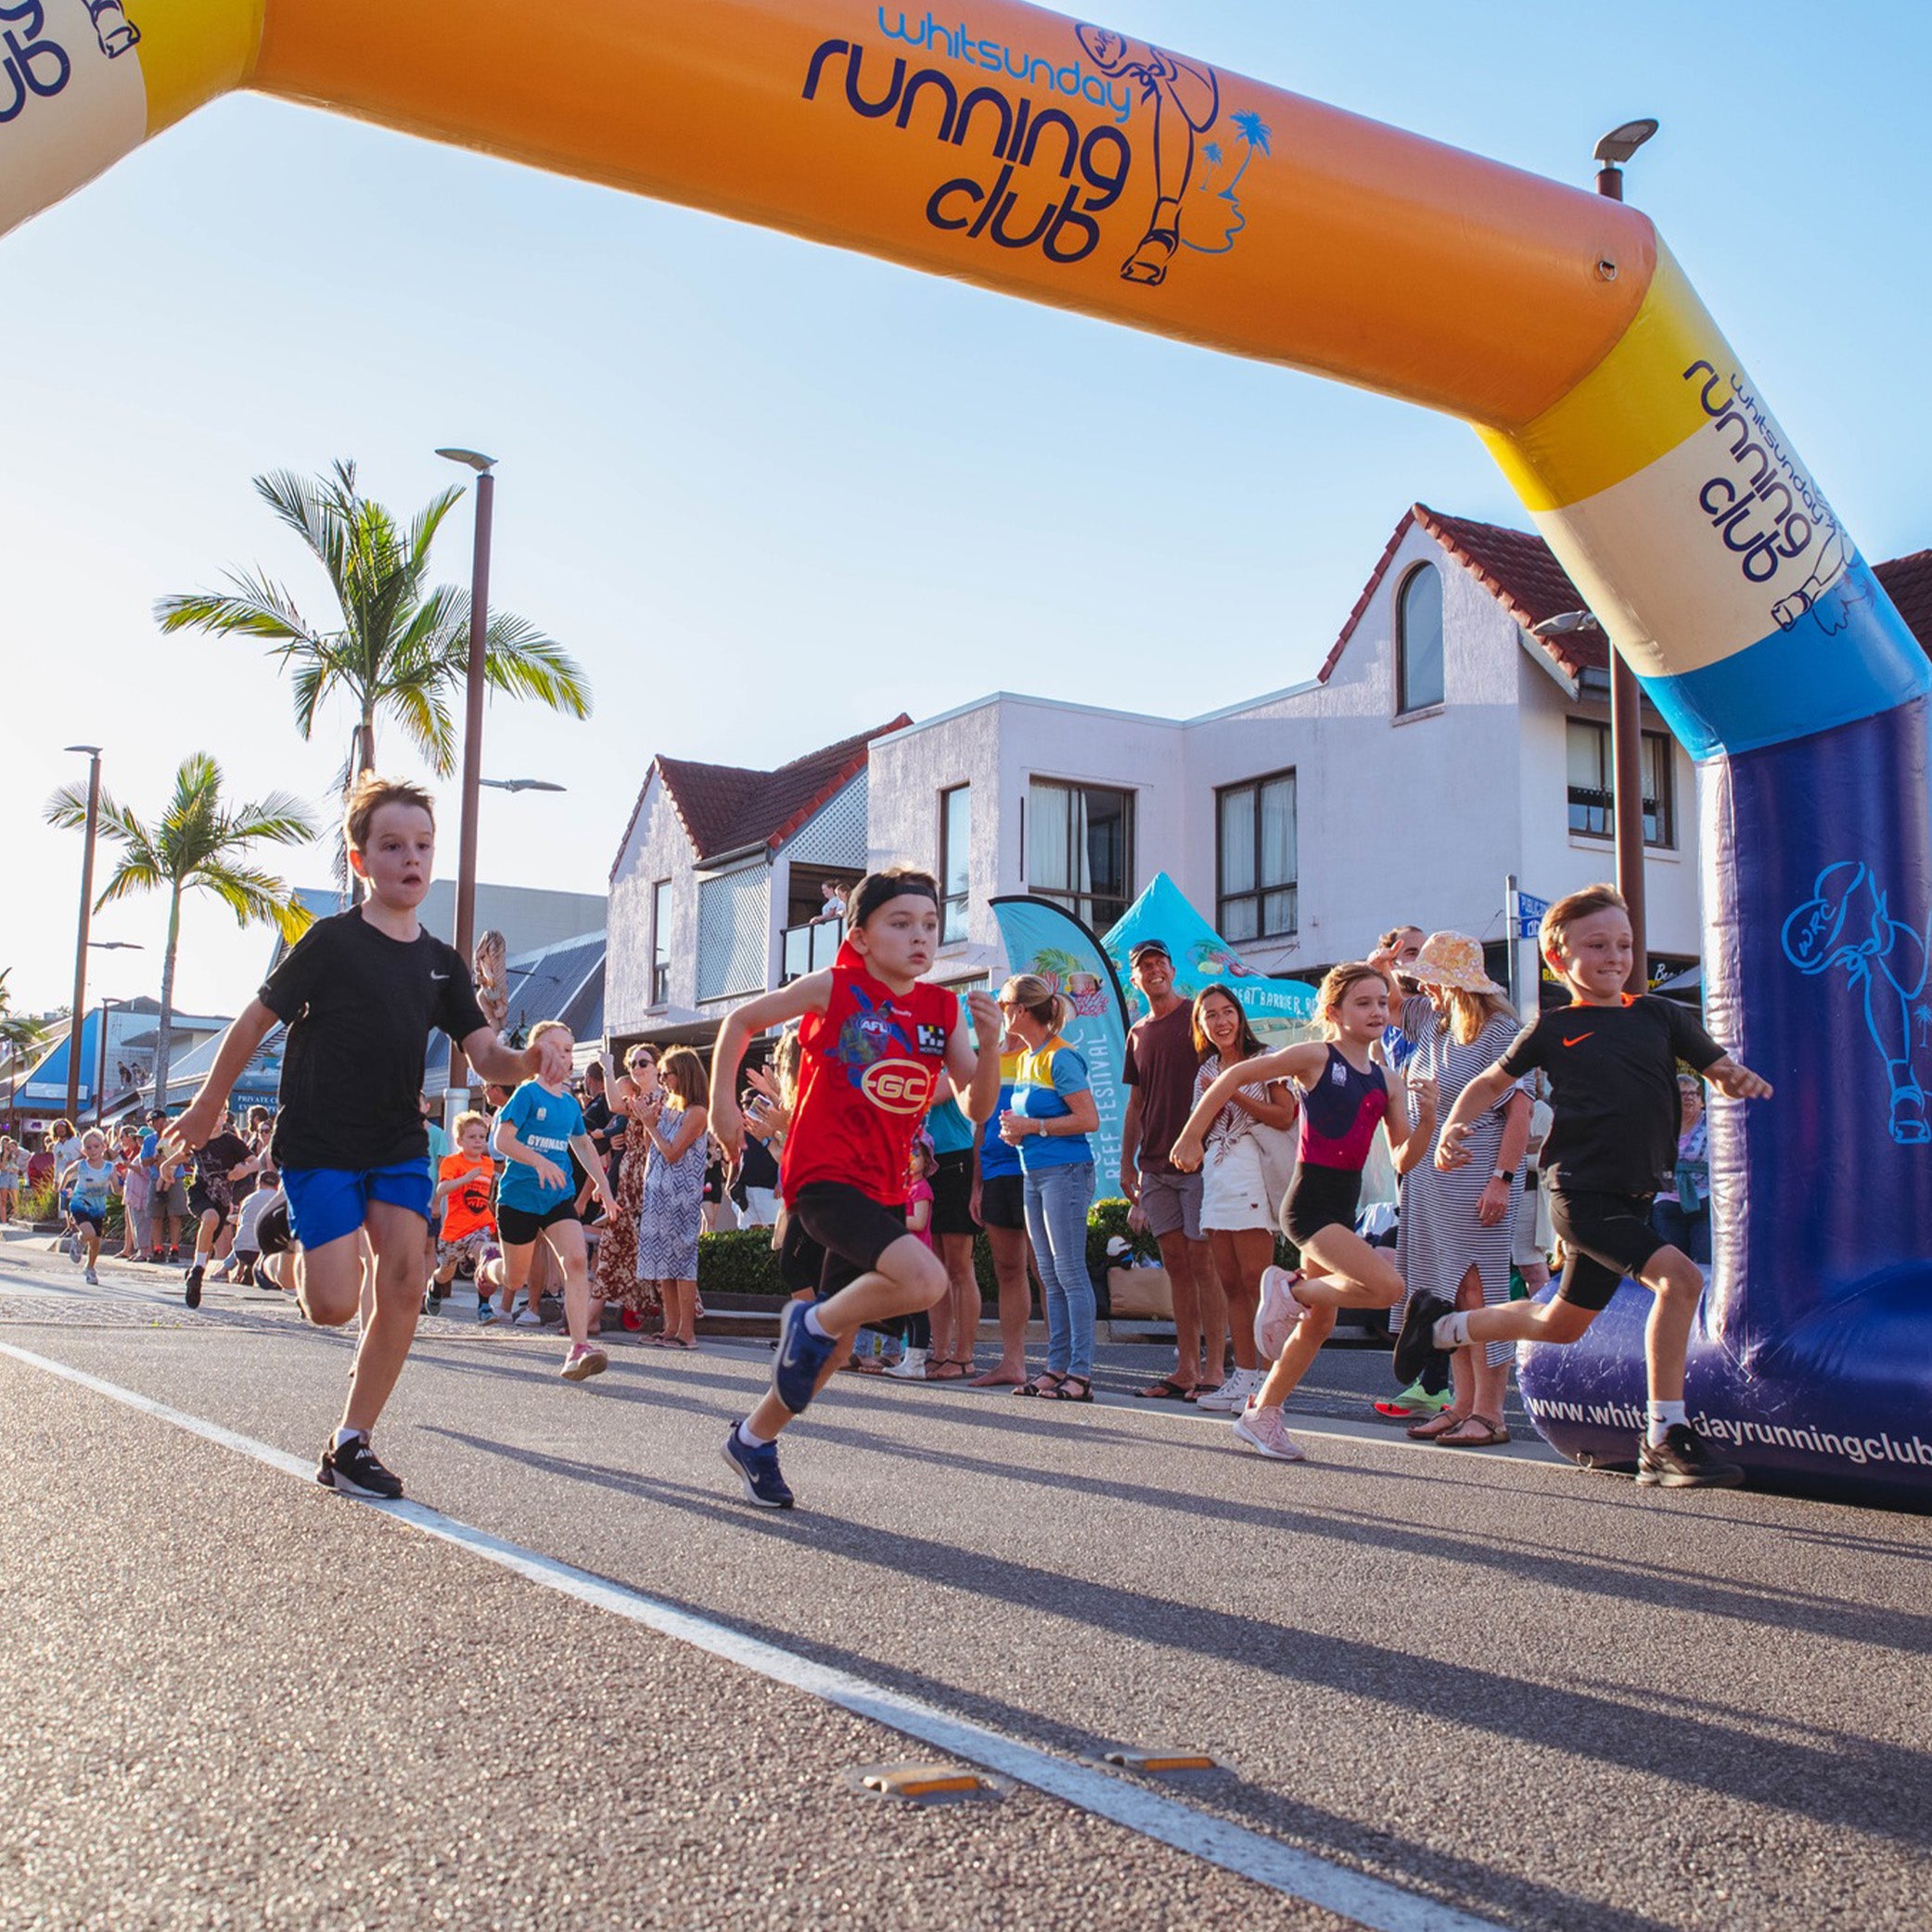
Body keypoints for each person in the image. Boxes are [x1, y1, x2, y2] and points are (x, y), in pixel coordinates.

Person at [166, 774, 574, 1499]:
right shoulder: (330, 942)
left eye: (422, 845)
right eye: (392, 845)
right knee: (330, 1304)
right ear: (361, 860)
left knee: (406, 1278)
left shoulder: (442, 963)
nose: (410, 859)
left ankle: (350, 1441)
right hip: (320, 1139)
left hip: (395, 1141)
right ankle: (276, 1255)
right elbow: (255, 1021)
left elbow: (483, 1054)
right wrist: (208, 1102)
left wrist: (527, 1060)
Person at [1399, 885, 1773, 1490]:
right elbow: (1489, 1086)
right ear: (1556, 958)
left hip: (1634, 1195)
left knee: (1559, 1325)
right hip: (1579, 1193)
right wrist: (1454, 1127)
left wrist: (1734, 1075)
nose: (1614, 956)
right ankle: (1662, 1434)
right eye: (1596, 944)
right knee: (1680, 1277)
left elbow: (1714, 1065)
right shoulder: (1552, 1028)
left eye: (1623, 944)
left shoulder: (1659, 1016)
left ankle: (1440, 1327)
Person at [709, 866, 1001, 1509]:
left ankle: (753, 1438)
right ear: (862, 936)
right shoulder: (835, 986)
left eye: (929, 923)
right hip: (822, 1175)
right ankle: (808, 1319)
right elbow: (740, 1022)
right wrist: (722, 1109)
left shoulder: (942, 1009)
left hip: (886, 1185)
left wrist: (994, 1046)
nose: (919, 936)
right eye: (900, 923)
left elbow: (979, 1107)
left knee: (834, 1347)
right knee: (925, 1281)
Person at [1172, 962, 1432, 1463]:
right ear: (1334, 1012)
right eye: (1364, 1002)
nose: (1377, 1010)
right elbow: (1237, 1076)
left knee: (1317, 1324)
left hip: (1344, 1203)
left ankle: (1261, 1414)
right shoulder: (1316, 1057)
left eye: (1383, 1002)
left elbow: (1404, 1160)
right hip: (1310, 1205)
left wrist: (1432, 1118)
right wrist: (1190, 1135)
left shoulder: (1390, 1081)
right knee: (1389, 1287)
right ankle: (1289, 1288)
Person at [1379, 932, 1531, 1451]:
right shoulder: (1431, 1020)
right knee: (1444, 1295)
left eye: (1435, 978)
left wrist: (1503, 1180)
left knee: (1478, 1292)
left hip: (1477, 1179)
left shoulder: (1502, 1031)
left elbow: (1520, 1110)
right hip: (1427, 1179)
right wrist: (1386, 956)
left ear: (1459, 984)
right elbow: (1380, 988)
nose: (1425, 986)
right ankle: (1460, 1405)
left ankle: (1491, 1412)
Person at [1186, 986, 1299, 1417]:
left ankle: (1272, 1384)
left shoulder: (1267, 1058)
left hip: (1253, 1171)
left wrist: (1231, 1089)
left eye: (1227, 1012)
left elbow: (1284, 1114)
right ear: (1201, 1026)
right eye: (1210, 1015)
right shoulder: (1205, 1071)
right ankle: (1244, 1377)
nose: (1221, 1022)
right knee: (1229, 1281)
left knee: (1258, 1280)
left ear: (1240, 1015)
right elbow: (1199, 1125)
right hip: (1216, 1174)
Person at [1120, 939, 1224, 1402]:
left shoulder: (1196, 1017)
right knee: (1176, 1265)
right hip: (1155, 1166)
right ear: (1135, 978)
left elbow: (1226, 1073)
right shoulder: (1138, 1032)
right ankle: (1186, 1368)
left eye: (1161, 961)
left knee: (1204, 1263)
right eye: (1145, 965)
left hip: (1199, 1160)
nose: (1155, 970)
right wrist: (1128, 1162)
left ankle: (1216, 1370)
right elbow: (1136, 1103)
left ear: (1172, 968)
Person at [492, 1021, 621, 1378]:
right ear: (537, 1055)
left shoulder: (568, 1104)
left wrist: (605, 1190)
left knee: (577, 1260)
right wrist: (540, 1161)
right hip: (519, 1198)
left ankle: (578, 1348)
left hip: (556, 1198)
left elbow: (583, 1145)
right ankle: (489, 1266)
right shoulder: (526, 1095)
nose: (564, 1055)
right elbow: (502, 1142)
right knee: (513, 1278)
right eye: (556, 1049)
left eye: (569, 1048)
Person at [999, 973, 1101, 1402]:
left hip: (1066, 1172)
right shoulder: (1026, 1057)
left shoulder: (1061, 1057)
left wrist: (1033, 1126)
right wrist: (1017, 1132)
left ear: (1021, 1010)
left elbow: (1089, 1119)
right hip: (1036, 1173)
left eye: (1004, 1004)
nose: (1002, 1011)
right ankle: (1056, 1367)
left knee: (1070, 1272)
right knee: (1050, 1275)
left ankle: (1079, 1373)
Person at [966, 1034, 1038, 1388]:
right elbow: (981, 1124)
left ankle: (1062, 1365)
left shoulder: (1045, 1051)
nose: (1008, 1015)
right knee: (1008, 1269)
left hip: (1037, 1169)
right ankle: (1013, 1363)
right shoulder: (988, 1059)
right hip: (995, 1172)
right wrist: (976, 1185)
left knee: (1048, 1271)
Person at [634, 1045, 710, 1350]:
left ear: (684, 1075)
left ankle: (687, 1333)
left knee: (682, 1263)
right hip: (658, 1194)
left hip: (680, 1198)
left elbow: (673, 1152)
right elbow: (653, 1148)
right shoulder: (671, 1107)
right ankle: (670, 1327)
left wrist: (652, 1126)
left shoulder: (697, 1112)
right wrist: (648, 1122)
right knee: (664, 1263)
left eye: (667, 1073)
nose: (663, 1079)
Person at [592, 1044, 658, 1330]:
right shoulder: (640, 1098)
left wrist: (608, 1069)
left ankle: (665, 1318)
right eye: (633, 1064)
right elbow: (617, 1108)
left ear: (657, 1066)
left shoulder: (661, 1098)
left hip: (650, 1183)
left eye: (644, 1062)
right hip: (628, 1185)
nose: (637, 1068)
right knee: (613, 1248)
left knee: (642, 1250)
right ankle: (591, 1319)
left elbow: (618, 1106)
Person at [919, 1086, 983, 1381]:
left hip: (956, 1159)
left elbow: (930, 1094)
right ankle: (940, 1352)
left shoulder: (957, 1061)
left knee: (959, 1266)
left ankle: (964, 1355)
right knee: (936, 1267)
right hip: (923, 1162)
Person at [427, 1110, 499, 1315]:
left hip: (480, 1224)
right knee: (446, 1272)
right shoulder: (452, 1162)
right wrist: (464, 1179)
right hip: (455, 1230)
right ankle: (435, 1284)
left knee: (485, 1256)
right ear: (459, 1140)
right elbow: (441, 1190)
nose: (478, 1141)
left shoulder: (487, 1163)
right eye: (472, 1137)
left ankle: (484, 1305)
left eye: (482, 1137)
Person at [181, 1111, 255, 1307]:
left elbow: (255, 1162)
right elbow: (181, 1154)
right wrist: (166, 1166)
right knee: (210, 1218)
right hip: (200, 1194)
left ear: (224, 1117)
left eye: (218, 1114)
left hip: (221, 1199)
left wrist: (244, 1170)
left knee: (211, 1232)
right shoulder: (197, 1139)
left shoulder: (231, 1142)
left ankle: (196, 1268)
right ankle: (197, 1272)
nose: (213, 1120)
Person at [1650, 1074, 1711, 1265]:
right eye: (1682, 1094)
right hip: (1668, 1202)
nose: (1689, 1098)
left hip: (1703, 1200)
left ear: (1702, 1100)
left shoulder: (1712, 1124)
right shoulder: (1660, 1125)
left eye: (1694, 1093)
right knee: (1674, 1265)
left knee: (1703, 1261)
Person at [59, 1129, 118, 1285]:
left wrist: (123, 1185)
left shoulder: (109, 1168)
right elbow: (67, 1172)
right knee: (89, 1233)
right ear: (84, 1150)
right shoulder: (81, 1165)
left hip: (98, 1208)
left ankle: (90, 1267)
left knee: (95, 1242)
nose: (93, 1150)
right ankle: (78, 1239)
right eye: (89, 1147)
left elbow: (117, 1189)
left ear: (103, 1147)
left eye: (96, 1146)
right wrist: (63, 1189)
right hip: (80, 1204)